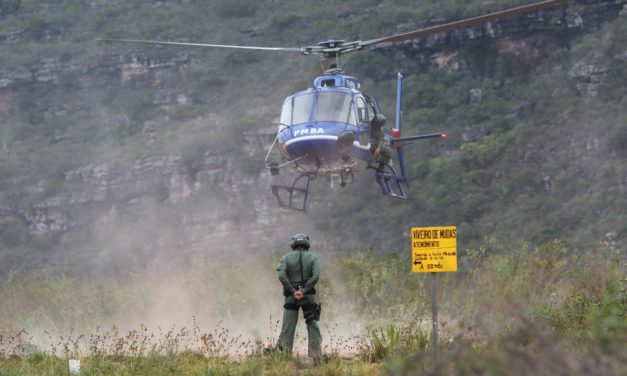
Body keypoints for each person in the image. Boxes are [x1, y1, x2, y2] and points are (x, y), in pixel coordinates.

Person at [276, 233, 322, 362]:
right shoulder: (313, 258)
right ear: (307, 244)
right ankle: (315, 355)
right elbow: (316, 276)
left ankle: (284, 355)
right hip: (308, 296)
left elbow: (281, 276)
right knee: (312, 322)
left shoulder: (286, 258)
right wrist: (305, 290)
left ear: (293, 244)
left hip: (291, 297)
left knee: (288, 324)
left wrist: (292, 291)